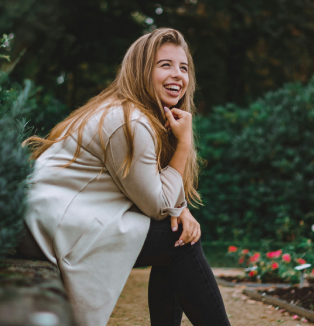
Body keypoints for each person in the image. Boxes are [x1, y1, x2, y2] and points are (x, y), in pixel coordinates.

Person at [21, 28, 231, 326]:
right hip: (54, 225)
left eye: (183, 67)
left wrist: (180, 209)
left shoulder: (128, 113)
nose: (178, 75)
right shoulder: (130, 122)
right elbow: (156, 204)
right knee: (181, 242)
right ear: (142, 71)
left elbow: (149, 189)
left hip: (55, 218)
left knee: (176, 237)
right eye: (165, 65)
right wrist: (184, 143)